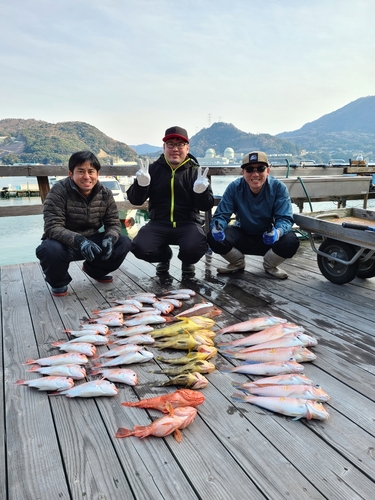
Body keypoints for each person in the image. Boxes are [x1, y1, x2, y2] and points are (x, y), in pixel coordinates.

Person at [36, 151, 132, 296]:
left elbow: (113, 223)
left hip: (92, 240)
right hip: (64, 242)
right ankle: (59, 282)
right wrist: (80, 241)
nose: (86, 176)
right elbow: (52, 227)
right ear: (70, 173)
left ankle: (94, 270)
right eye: (80, 171)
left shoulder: (105, 193)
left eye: (91, 171)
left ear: (97, 173)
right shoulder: (59, 191)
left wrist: (110, 238)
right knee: (48, 249)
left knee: (123, 242)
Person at [127, 126, 214, 274]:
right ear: (164, 147)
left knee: (196, 247)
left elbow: (206, 205)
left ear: (187, 148)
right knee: (139, 247)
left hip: (188, 223)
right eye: (171, 144)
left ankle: (187, 260)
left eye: (180, 144)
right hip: (158, 222)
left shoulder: (196, 172)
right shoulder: (152, 170)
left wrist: (201, 193)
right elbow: (135, 200)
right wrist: (141, 185)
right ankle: (164, 255)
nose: (175, 149)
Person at [207, 151, 300, 279]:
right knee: (212, 236)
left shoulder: (279, 188)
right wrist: (217, 228)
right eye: (249, 169)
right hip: (242, 235)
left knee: (291, 240)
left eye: (260, 169)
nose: (255, 174)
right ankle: (237, 262)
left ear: (268, 170)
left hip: (268, 237)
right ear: (243, 172)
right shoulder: (234, 187)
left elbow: (285, 218)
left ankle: (270, 264)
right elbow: (221, 215)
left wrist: (277, 232)